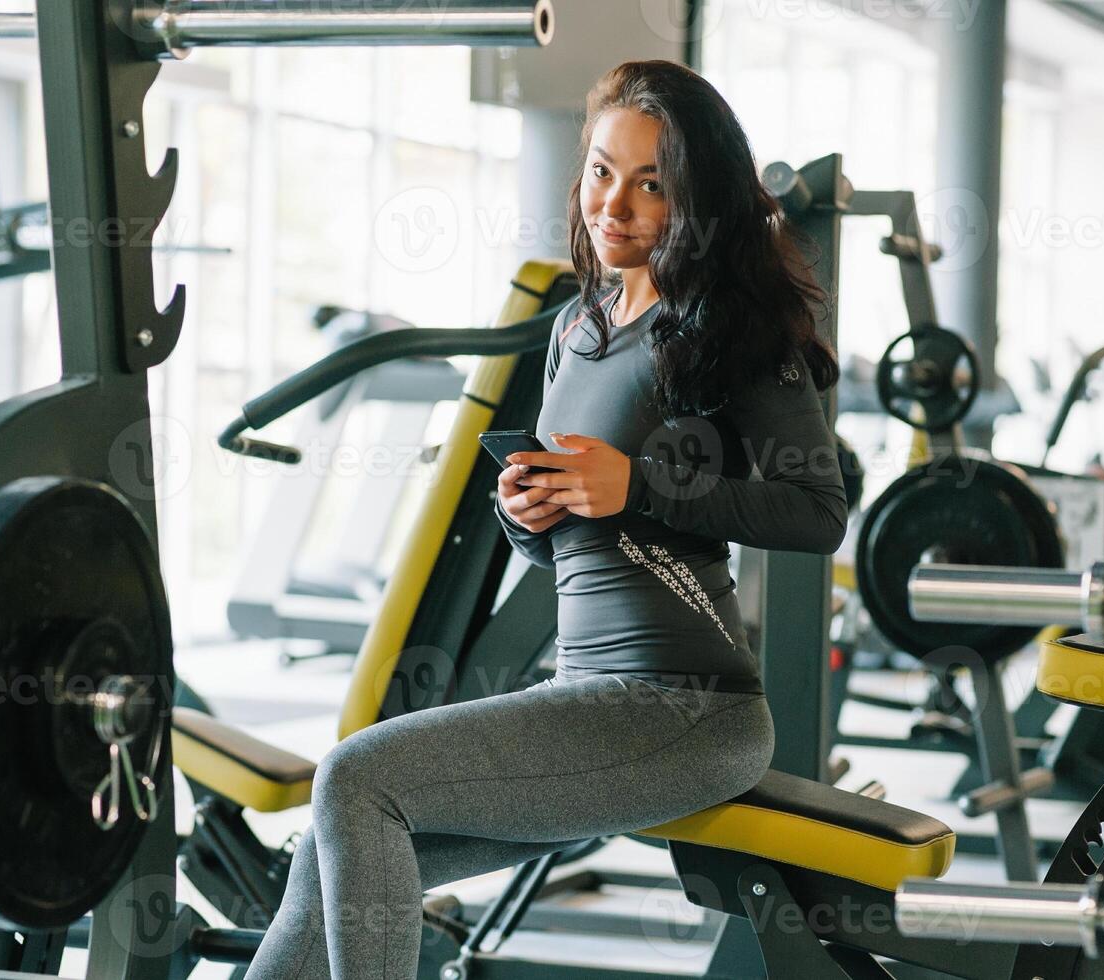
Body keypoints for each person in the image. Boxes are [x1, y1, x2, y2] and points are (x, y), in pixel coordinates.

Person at [245, 59, 847, 979]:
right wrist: (526, 512)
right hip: (580, 689)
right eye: (603, 172)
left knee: (353, 779)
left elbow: (817, 514)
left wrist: (638, 486)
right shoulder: (580, 327)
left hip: (688, 710)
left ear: (697, 200)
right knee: (328, 865)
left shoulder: (734, 332)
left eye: (652, 184)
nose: (615, 204)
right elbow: (567, 540)